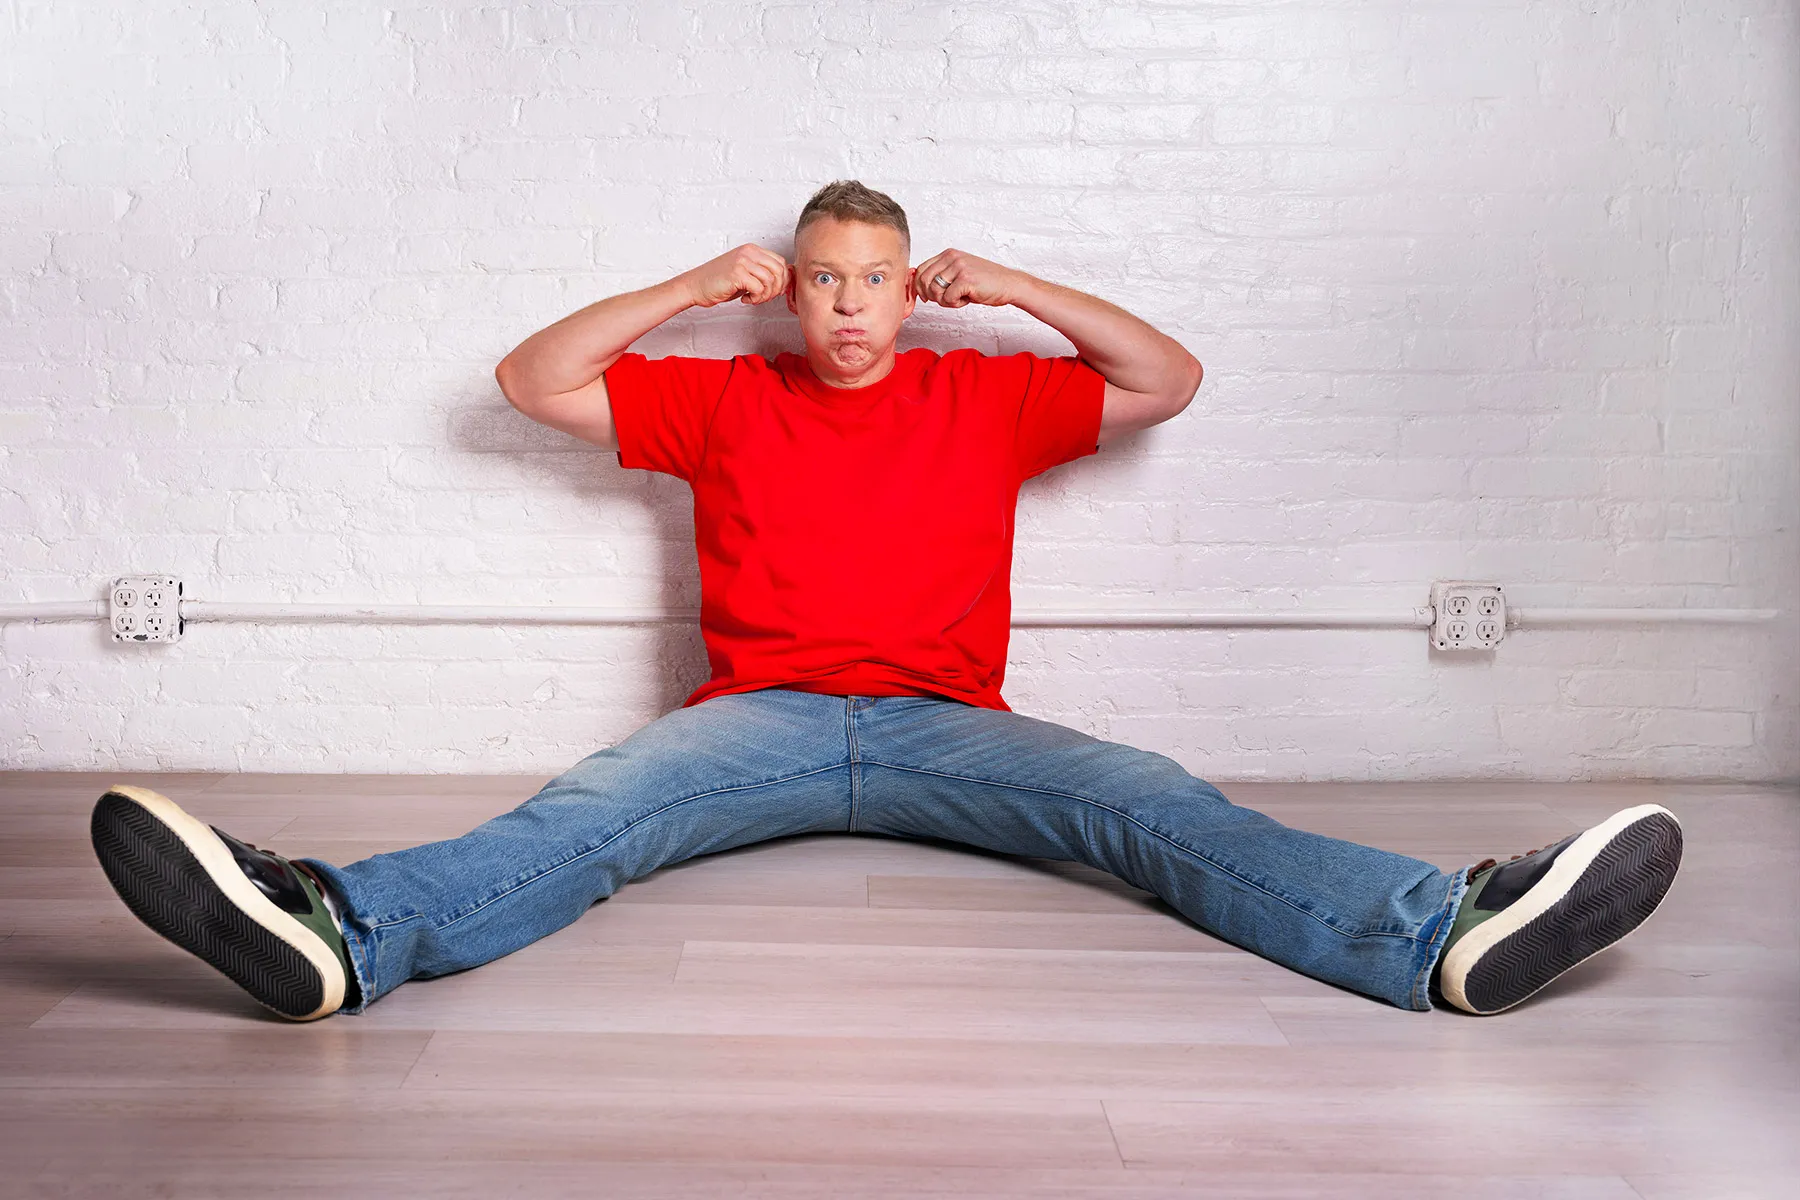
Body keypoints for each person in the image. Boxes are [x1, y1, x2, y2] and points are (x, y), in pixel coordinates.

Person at [88, 180, 1684, 1024]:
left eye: (874, 279)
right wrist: (689, 289)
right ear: (789, 287)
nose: (847, 304)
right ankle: (336, 931)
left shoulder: (984, 394)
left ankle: (1442, 933)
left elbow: (1171, 378)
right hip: (760, 725)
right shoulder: (720, 397)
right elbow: (528, 378)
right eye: (820, 277)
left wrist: (1023, 289)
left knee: (1148, 803)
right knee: (590, 817)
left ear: (907, 291)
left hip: (945, 728)